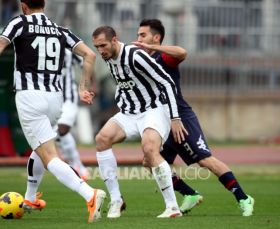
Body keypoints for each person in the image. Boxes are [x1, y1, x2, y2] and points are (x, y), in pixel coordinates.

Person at [131, 19, 254, 216]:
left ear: (156, 38)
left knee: (205, 161)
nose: (139, 39)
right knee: (149, 161)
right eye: (138, 35)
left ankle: (243, 197)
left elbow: (182, 53)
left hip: (180, 119)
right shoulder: (142, 60)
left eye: (142, 35)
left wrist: (152, 47)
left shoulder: (165, 57)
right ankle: (190, 194)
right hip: (160, 121)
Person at [0, 0, 106, 223]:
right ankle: (30, 198)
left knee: (49, 156)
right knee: (42, 145)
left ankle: (90, 194)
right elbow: (90, 55)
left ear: (23, 5)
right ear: (45, 4)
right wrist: (82, 87)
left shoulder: (19, 23)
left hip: (30, 96)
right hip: (56, 99)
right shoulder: (60, 30)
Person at [87, 25, 186, 218]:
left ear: (114, 40)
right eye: (97, 47)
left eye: (103, 45)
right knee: (102, 139)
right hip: (130, 113)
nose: (100, 51)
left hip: (154, 110)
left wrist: (175, 117)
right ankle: (116, 199)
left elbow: (167, 82)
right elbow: (126, 83)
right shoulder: (109, 57)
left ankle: (172, 207)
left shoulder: (135, 55)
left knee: (149, 149)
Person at [56, 48, 98, 181]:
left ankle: (77, 165)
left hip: (68, 98)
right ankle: (72, 167)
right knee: (55, 135)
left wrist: (93, 84)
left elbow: (87, 62)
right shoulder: (38, 51)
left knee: (62, 129)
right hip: (49, 99)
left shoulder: (68, 51)